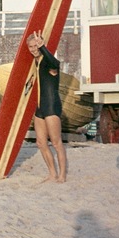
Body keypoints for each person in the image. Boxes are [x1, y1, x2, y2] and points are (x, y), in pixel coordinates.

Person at [26, 30, 67, 183]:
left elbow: (55, 63)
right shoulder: (35, 62)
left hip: (51, 107)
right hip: (40, 108)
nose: (33, 49)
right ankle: (52, 173)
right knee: (41, 143)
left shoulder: (48, 62)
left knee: (56, 143)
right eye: (31, 46)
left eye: (36, 45)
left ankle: (62, 175)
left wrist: (43, 47)